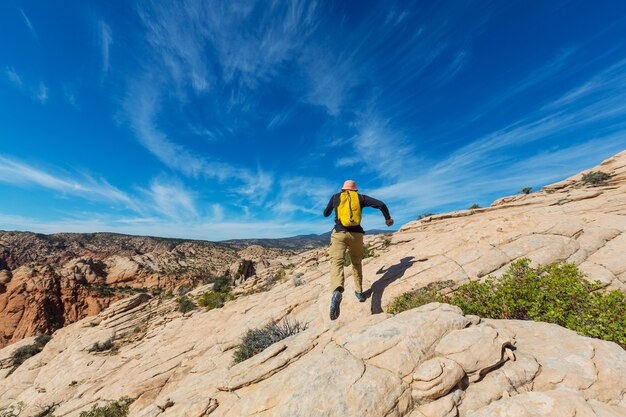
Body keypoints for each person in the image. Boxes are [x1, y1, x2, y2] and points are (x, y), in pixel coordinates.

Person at [323, 180, 394, 320]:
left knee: (337, 263)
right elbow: (381, 204)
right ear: (355, 190)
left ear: (343, 189)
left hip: (339, 233)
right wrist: (388, 219)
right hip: (357, 235)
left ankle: (337, 290)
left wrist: (332, 208)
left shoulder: (336, 197)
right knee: (356, 263)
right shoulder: (360, 198)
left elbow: (326, 213)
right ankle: (359, 292)